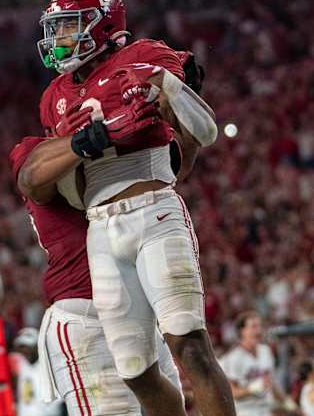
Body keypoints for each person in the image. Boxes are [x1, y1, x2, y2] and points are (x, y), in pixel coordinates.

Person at [24, 0, 233, 416]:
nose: (59, 39)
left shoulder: (141, 56)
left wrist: (168, 86)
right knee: (135, 370)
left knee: (189, 344)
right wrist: (91, 137)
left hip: (152, 209)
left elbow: (199, 134)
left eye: (68, 27)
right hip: (100, 228)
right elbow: (61, 185)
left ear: (101, 25)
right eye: (57, 29)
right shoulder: (56, 97)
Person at [10, 132, 184, 416]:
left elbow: (172, 171)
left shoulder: (119, 130)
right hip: (84, 314)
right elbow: (32, 181)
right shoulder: (37, 148)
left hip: (137, 315)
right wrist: (86, 140)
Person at [218, 311, 297, 416]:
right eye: (254, 326)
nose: (259, 330)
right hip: (245, 411)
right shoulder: (233, 358)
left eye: (260, 326)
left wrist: (288, 403)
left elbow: (271, 382)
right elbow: (231, 393)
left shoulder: (266, 351)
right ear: (242, 331)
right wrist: (252, 388)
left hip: (266, 408)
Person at [10, 327, 63, 416]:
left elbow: (60, 400)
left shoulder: (51, 365)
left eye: (27, 347)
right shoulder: (23, 365)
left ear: (37, 346)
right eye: (21, 348)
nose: (24, 351)